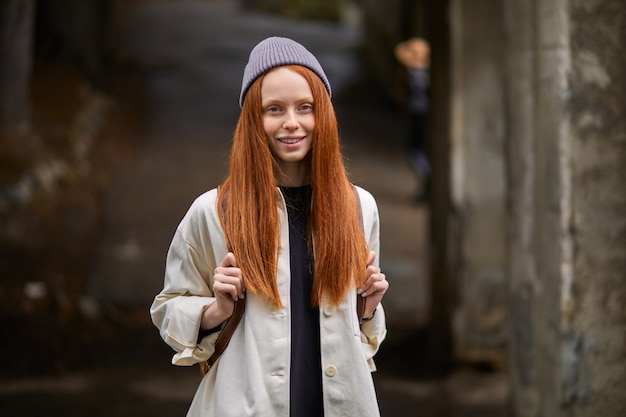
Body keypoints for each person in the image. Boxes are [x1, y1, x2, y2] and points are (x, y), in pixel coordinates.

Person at [150, 36, 389, 417]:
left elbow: (360, 337)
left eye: (305, 107)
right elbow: (168, 309)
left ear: (323, 114)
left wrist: (366, 308)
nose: (291, 123)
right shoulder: (214, 211)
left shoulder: (359, 207)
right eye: (273, 109)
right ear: (253, 120)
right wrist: (216, 309)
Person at [394, 37, 431, 203]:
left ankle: (428, 180)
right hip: (418, 114)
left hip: (422, 115)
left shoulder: (418, 74)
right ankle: (427, 181)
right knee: (416, 151)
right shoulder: (415, 72)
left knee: (416, 151)